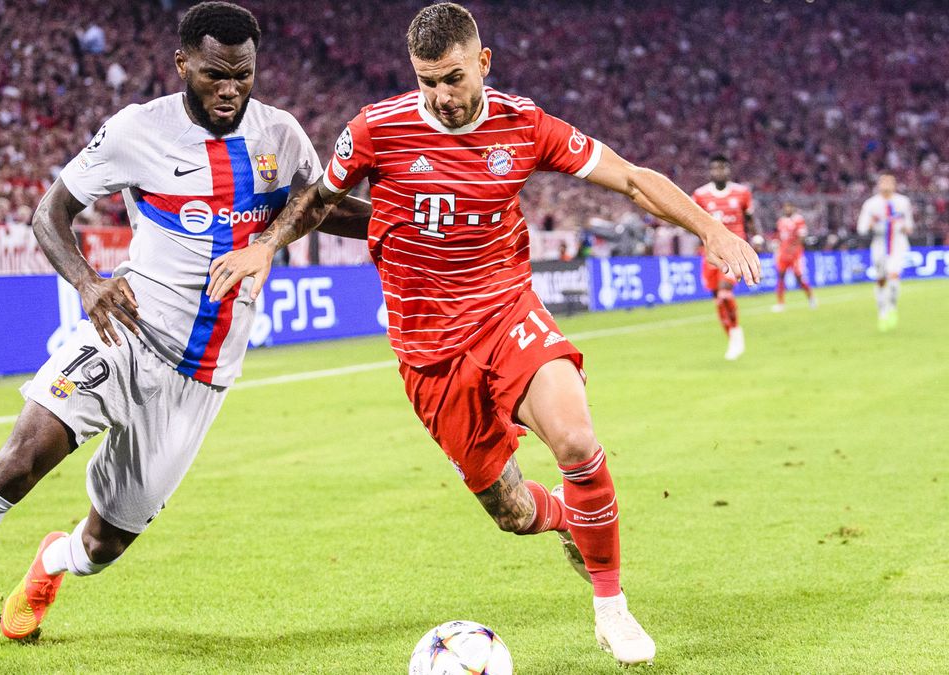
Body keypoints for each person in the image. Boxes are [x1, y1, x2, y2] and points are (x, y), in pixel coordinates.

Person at [206, 2, 760, 667]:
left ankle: (611, 608)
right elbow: (320, 199)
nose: (441, 95)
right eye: (427, 80)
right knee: (514, 511)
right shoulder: (375, 129)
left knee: (578, 439)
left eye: (453, 77)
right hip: (427, 351)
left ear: (483, 63)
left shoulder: (523, 125)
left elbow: (633, 180)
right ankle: (565, 519)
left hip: (505, 312)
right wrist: (266, 245)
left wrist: (712, 228)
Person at [0, 3, 368, 672]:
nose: (230, 89)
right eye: (215, 74)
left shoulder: (282, 135)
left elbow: (315, 206)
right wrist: (90, 284)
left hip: (201, 377)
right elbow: (50, 214)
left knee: (106, 543)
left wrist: (410, 219)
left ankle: (53, 560)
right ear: (183, 64)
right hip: (125, 329)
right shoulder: (136, 131)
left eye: (243, 75)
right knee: (19, 458)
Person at [691, 155, 758, 360]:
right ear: (710, 171)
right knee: (718, 301)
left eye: (722, 168)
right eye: (715, 168)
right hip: (710, 254)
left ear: (729, 170)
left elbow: (750, 220)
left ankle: (736, 332)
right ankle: (732, 337)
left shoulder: (742, 193)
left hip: (733, 252)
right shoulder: (700, 195)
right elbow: (694, 221)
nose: (718, 172)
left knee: (724, 295)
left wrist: (755, 239)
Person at [856, 174, 913, 331]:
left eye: (890, 182)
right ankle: (882, 312)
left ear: (895, 185)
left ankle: (892, 307)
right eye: (883, 182)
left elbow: (909, 227)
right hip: (879, 244)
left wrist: (902, 226)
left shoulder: (903, 202)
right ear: (878, 185)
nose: (886, 184)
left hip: (898, 244)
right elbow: (861, 229)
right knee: (881, 279)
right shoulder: (871, 204)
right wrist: (871, 223)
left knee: (893, 276)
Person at [771, 202, 815, 311]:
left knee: (799, 278)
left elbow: (802, 236)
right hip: (783, 253)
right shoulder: (781, 221)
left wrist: (795, 248)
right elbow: (778, 237)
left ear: (793, 208)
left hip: (795, 254)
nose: (787, 209)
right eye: (785, 207)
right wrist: (776, 245)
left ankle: (811, 298)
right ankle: (780, 303)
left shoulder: (798, 220)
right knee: (781, 276)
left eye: (789, 207)